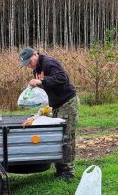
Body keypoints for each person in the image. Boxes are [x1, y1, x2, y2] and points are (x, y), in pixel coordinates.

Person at [19, 47, 79, 181]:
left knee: (66, 136)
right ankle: (60, 170)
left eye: (29, 62)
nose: (29, 66)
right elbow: (47, 87)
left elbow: (62, 78)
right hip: (55, 105)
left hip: (67, 102)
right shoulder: (36, 69)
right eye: (26, 64)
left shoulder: (48, 63)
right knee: (57, 137)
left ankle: (68, 172)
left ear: (35, 54)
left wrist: (42, 81)